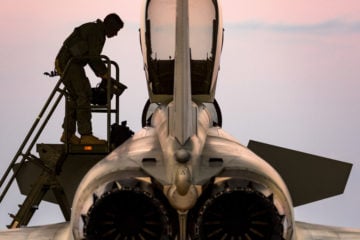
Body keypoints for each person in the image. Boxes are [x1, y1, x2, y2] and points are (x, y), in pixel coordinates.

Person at [55, 13, 124, 144]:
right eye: (116, 30)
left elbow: (91, 57)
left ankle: (68, 134)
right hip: (69, 63)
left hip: (71, 63)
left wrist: (103, 73)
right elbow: (93, 57)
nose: (115, 34)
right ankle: (86, 135)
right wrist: (104, 74)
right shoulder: (96, 32)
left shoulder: (96, 30)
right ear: (110, 26)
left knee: (77, 97)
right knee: (83, 95)